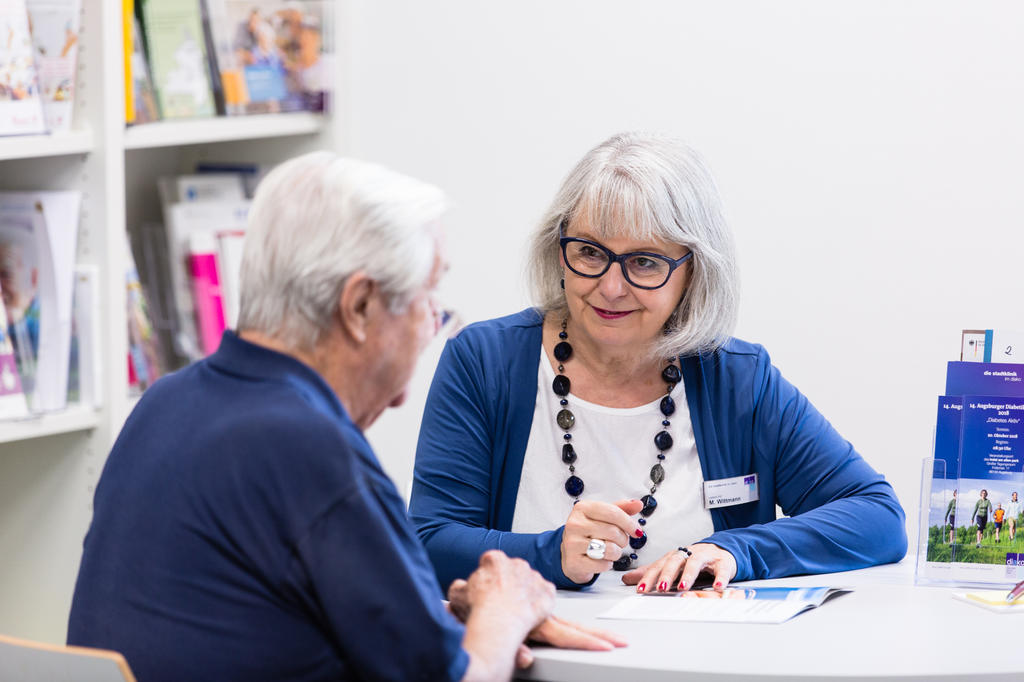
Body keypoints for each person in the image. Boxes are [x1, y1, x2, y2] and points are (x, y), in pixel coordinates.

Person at [67, 152, 623, 682]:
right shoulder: (307, 448)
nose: (434, 325)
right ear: (359, 308)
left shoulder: (164, 404)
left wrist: (468, 614)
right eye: (429, 299)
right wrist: (508, 608)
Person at [410, 131, 907, 595]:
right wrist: (551, 553)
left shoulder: (737, 378)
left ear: (693, 273)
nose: (609, 286)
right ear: (559, 251)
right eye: (589, 252)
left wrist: (733, 549)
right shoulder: (484, 360)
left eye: (644, 262)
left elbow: (877, 518)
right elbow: (430, 542)